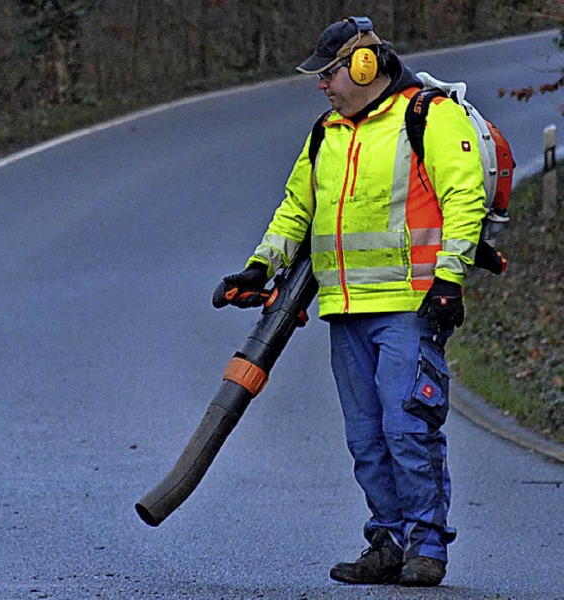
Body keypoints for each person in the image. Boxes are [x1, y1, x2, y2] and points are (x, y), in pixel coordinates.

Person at [216, 16, 487, 587]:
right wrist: (260, 266)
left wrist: (449, 280)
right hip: (346, 308)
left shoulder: (428, 117)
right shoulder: (327, 132)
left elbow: (465, 198)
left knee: (407, 426)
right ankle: (387, 542)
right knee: (365, 436)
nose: (322, 84)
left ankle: (426, 548)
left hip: (410, 307)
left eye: (330, 73)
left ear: (365, 66)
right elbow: (297, 209)